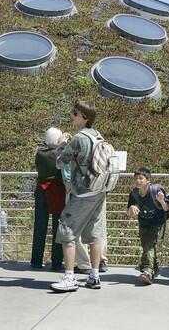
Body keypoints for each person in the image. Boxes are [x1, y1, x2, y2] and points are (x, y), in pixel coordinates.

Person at [50, 100, 108, 292]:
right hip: (99, 191)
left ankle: (69, 277)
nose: (71, 116)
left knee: (67, 231)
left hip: (82, 192)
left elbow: (60, 162)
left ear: (84, 117)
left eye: (74, 113)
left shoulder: (78, 139)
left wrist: (61, 144)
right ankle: (94, 275)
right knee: (95, 234)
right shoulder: (97, 135)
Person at [127, 167, 169, 285]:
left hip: (157, 222)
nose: (138, 181)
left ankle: (147, 271)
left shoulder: (156, 190)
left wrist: (161, 201)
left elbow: (167, 208)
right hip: (144, 222)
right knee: (146, 244)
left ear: (148, 180)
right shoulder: (134, 193)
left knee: (149, 246)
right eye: (136, 178)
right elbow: (129, 212)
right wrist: (131, 208)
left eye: (141, 178)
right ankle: (155, 269)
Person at [31, 127, 65, 271]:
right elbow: (62, 160)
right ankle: (57, 261)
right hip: (56, 190)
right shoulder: (59, 153)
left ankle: (36, 260)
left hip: (41, 190)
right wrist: (64, 144)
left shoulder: (39, 153)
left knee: (40, 226)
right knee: (58, 227)